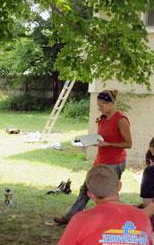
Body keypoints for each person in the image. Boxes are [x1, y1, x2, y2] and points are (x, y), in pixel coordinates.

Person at [54, 90, 132, 224]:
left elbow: (128, 144)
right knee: (86, 188)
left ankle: (112, 220)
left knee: (108, 194)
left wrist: (108, 144)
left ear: (111, 104)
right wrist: (89, 143)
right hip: (101, 160)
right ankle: (71, 217)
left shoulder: (121, 120)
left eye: (102, 106)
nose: (99, 108)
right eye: (98, 106)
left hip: (114, 162)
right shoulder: (102, 118)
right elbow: (100, 138)